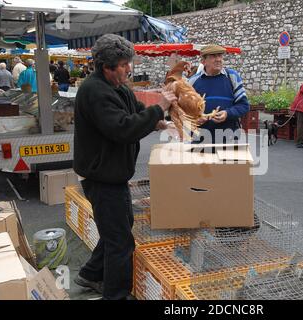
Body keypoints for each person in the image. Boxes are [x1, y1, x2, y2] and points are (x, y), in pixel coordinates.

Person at [73, 34, 176, 300]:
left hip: (111, 174)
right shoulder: (95, 91)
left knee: (117, 227)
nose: (129, 68)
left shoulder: (118, 87)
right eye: (123, 64)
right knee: (120, 241)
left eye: (129, 62)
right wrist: (158, 109)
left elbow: (135, 112)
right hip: (102, 177)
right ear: (106, 67)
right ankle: (116, 295)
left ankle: (91, 274)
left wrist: (157, 121)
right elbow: (122, 129)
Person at [188, 44, 249, 143]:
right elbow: (184, 111)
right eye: (213, 56)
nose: (218, 59)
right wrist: (194, 118)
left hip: (228, 140)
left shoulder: (232, 77)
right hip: (200, 141)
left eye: (220, 56)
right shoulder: (192, 82)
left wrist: (227, 113)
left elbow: (244, 106)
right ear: (203, 61)